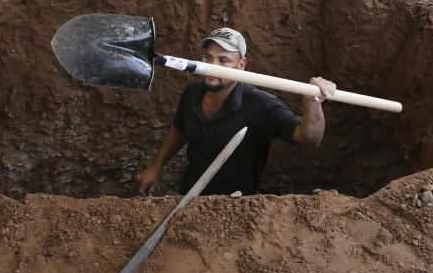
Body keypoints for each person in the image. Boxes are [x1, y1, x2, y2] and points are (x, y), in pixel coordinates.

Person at [139, 28, 336, 197]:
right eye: (208, 57)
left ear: (241, 66)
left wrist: (313, 101)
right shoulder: (193, 92)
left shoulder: (261, 105)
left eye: (223, 60)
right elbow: (179, 129)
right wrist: (157, 165)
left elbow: (309, 138)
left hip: (235, 208)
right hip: (189, 197)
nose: (212, 67)